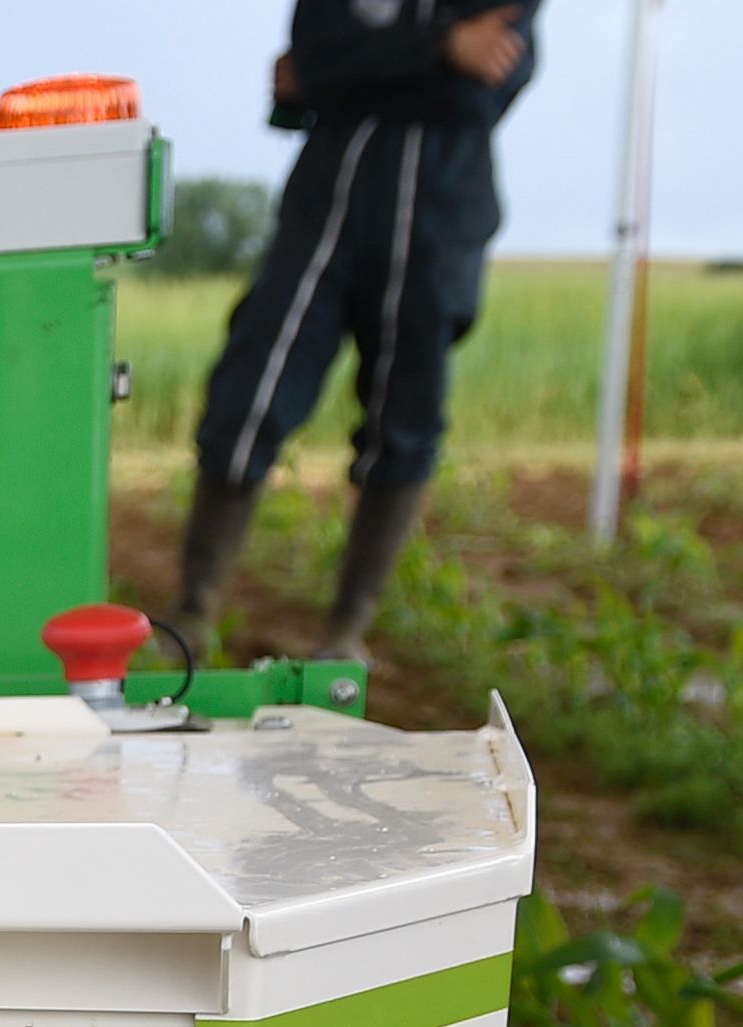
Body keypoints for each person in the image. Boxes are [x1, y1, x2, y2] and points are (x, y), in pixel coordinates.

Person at [167, 0, 537, 664]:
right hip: (325, 209)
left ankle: (345, 632)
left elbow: (484, 89)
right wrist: (438, 50)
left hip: (439, 220)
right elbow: (311, 56)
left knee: (405, 420)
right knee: (249, 392)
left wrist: (353, 75)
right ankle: (192, 612)